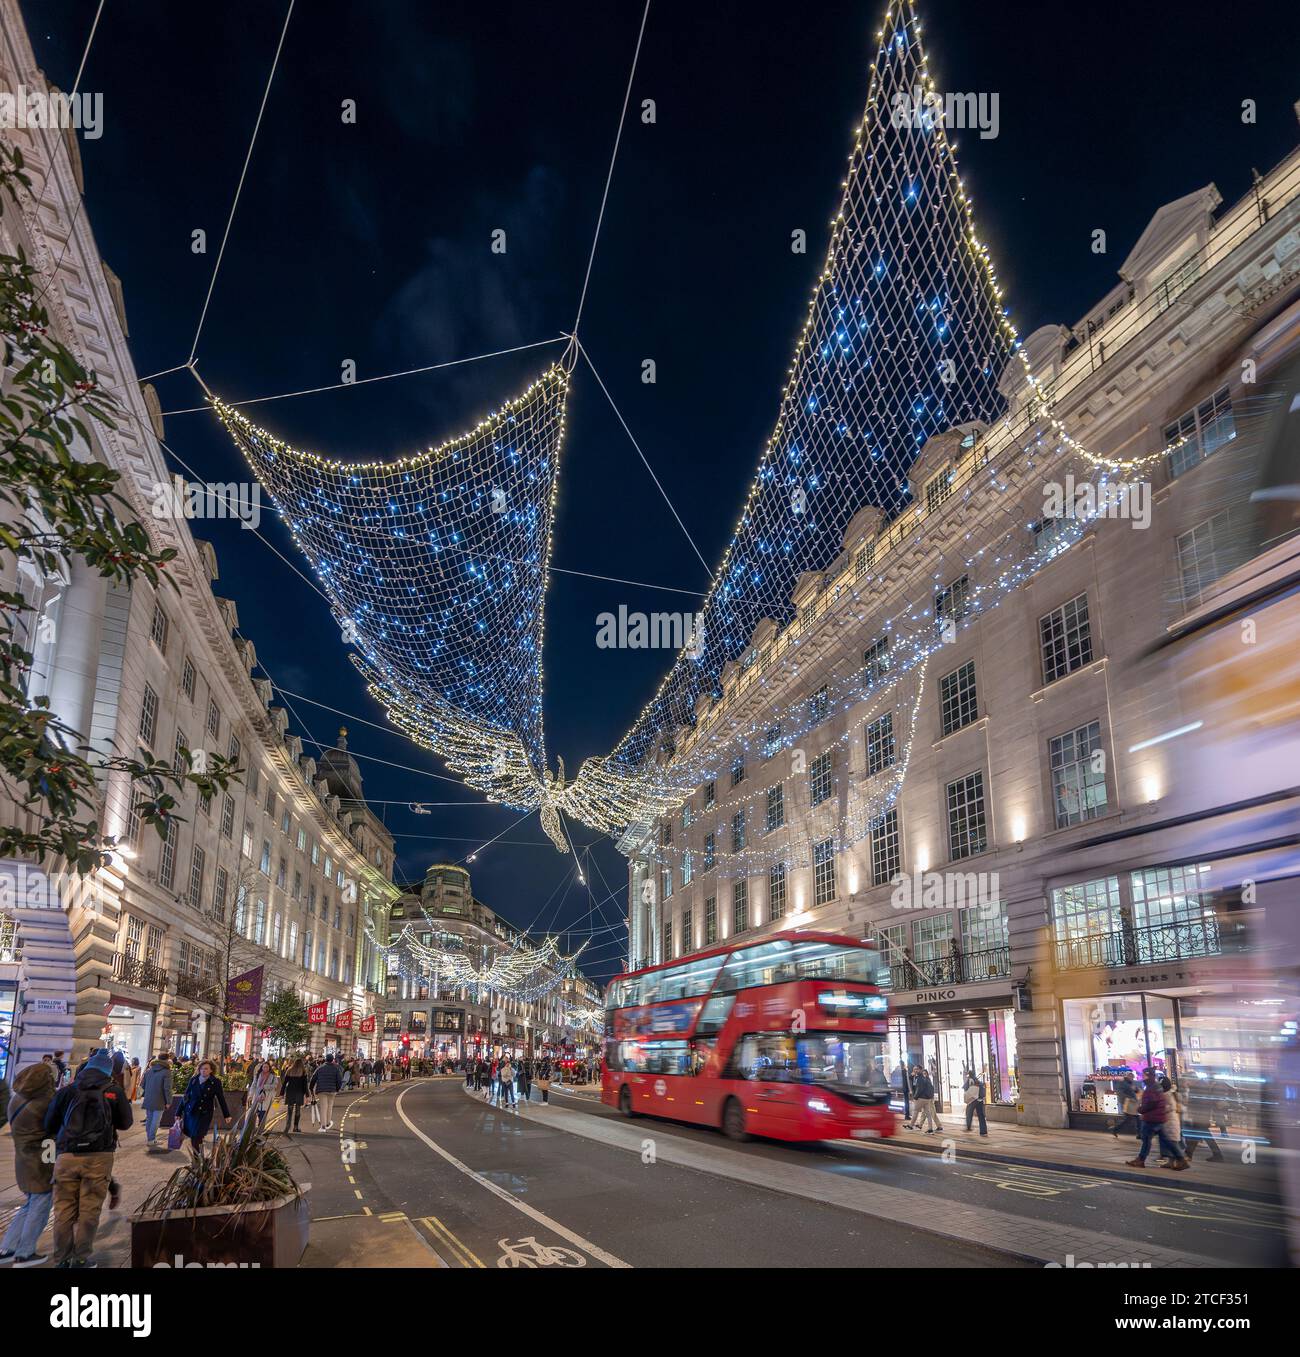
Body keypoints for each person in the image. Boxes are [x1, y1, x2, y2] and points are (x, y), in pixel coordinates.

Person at [44, 1049, 132, 1268]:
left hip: (67, 1155)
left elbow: (49, 1125)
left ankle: (62, 1259)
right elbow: (125, 1123)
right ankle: (81, 1257)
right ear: (107, 1069)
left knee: (63, 1209)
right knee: (89, 1209)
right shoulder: (113, 1090)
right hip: (99, 1157)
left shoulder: (68, 1090)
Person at [0, 1060, 57, 1266]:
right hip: (41, 1158)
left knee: (30, 1204)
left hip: (22, 1158)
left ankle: (8, 1247)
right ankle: (25, 1253)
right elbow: (54, 1129)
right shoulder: (45, 1101)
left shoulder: (17, 1098)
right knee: (41, 1204)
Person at [1126, 1069, 1187, 1171]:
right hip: (1157, 1118)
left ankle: (1140, 1160)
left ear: (1148, 1075)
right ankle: (1181, 1159)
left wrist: (1141, 1109)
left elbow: (1153, 1102)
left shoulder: (1153, 1087)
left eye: (1144, 1075)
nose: (1143, 1077)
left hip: (1152, 1118)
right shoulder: (1154, 1086)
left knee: (1146, 1140)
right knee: (1166, 1141)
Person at [179, 1059, 232, 1153]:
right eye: (202, 1069)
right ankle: (197, 1158)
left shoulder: (215, 1082)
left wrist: (226, 1115)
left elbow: (221, 1098)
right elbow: (186, 1096)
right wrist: (178, 1112)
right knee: (193, 1136)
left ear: (211, 1070)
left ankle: (197, 1158)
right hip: (192, 1112)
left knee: (197, 1134)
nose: (203, 1070)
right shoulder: (194, 1080)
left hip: (205, 1113)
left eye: (206, 1069)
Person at [1183, 1076, 1226, 1163]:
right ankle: (1217, 1155)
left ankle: (1188, 1155)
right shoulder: (1200, 1086)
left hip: (1200, 1116)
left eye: (1187, 1081)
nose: (1186, 1083)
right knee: (1200, 1136)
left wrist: (1190, 1107)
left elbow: (1199, 1102)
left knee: (1197, 1136)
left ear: (1191, 1080)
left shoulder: (1198, 1088)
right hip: (1201, 1116)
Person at [140, 1053, 172, 1149]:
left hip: (148, 1098)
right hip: (160, 1099)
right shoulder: (167, 1072)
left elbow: (142, 1085)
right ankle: (151, 1139)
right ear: (167, 1060)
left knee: (150, 1119)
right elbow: (167, 1088)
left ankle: (150, 1139)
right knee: (156, 1120)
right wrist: (168, 1101)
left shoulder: (149, 1070)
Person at [310, 1051, 343, 1130]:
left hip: (321, 1090)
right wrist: (337, 1089)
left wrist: (311, 1088)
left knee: (323, 1107)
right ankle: (328, 1122)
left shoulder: (320, 1068)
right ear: (332, 1060)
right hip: (332, 1090)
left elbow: (313, 1079)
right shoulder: (336, 1068)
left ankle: (323, 1125)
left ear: (325, 1060)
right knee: (330, 1107)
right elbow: (339, 1080)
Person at [279, 1057, 309, 1134]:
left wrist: (281, 1094)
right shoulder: (303, 1071)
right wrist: (307, 1095)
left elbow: (284, 1083)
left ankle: (287, 1127)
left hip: (290, 1092)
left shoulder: (289, 1070)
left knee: (289, 1110)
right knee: (298, 1110)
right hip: (299, 1092)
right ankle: (295, 1127)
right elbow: (305, 1085)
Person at [1108, 1072, 1141, 1140]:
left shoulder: (1130, 1083)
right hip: (1127, 1104)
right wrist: (1128, 1099)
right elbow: (1120, 1093)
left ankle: (1139, 1134)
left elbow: (1135, 1090)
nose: (1132, 1079)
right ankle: (1115, 1129)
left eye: (1133, 1078)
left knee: (1137, 1118)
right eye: (1131, 1077)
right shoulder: (1123, 1083)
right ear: (1128, 1077)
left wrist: (1136, 1089)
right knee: (1128, 1119)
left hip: (1133, 1104)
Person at [247, 1060, 277, 1130]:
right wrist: (250, 1095)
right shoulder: (257, 1075)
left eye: (267, 1067)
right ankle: (258, 1126)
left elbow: (275, 1085)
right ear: (261, 1068)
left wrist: (265, 1086)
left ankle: (260, 1127)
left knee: (263, 1112)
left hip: (267, 1095)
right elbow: (253, 1085)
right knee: (257, 1111)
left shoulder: (272, 1076)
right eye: (264, 1067)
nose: (265, 1068)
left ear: (269, 1068)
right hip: (257, 1094)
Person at [910, 1064, 939, 1133]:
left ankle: (911, 1125)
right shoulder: (922, 1078)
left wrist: (915, 1097)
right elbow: (911, 1080)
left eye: (916, 1069)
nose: (915, 1071)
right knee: (928, 1113)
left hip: (922, 1098)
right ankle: (929, 1128)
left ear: (920, 1070)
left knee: (916, 1111)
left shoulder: (920, 1078)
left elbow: (919, 1089)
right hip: (927, 1098)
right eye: (914, 1069)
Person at [962, 1068, 988, 1135]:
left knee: (968, 1112)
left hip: (973, 1099)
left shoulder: (970, 1080)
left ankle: (968, 1127)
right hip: (980, 1099)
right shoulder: (977, 1080)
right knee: (981, 1115)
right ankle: (983, 1131)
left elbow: (965, 1087)